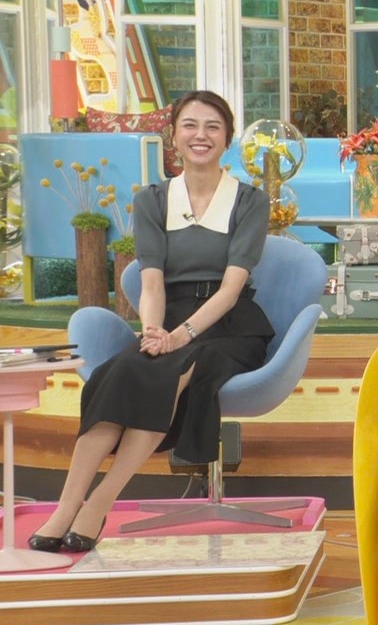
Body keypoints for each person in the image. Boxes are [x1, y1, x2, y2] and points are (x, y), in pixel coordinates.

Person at [29, 90, 273, 553]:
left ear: (227, 139)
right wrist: (155, 331)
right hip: (168, 316)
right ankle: (66, 506)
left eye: (213, 127)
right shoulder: (153, 200)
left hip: (231, 325)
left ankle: (100, 502)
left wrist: (180, 336)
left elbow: (230, 290)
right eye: (190, 125)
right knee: (119, 373)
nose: (201, 135)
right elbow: (152, 282)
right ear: (173, 135)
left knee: (163, 377)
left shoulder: (249, 201)